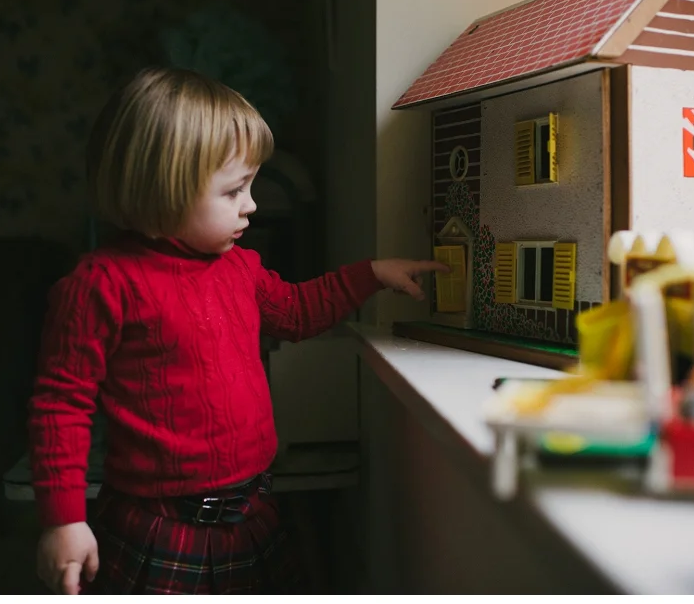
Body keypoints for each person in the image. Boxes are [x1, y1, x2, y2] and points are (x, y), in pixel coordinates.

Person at [29, 66, 449, 595]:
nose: (252, 204)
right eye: (234, 191)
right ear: (163, 189)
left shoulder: (241, 268)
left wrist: (370, 275)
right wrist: (63, 519)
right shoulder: (100, 284)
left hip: (253, 513)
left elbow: (297, 313)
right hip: (158, 526)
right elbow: (60, 405)